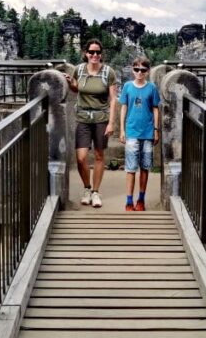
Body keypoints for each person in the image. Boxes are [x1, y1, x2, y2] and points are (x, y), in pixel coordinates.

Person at [64, 39, 119, 208]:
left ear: (101, 54)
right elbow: (77, 89)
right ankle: (87, 188)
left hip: (101, 118)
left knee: (99, 156)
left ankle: (95, 192)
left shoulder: (108, 72)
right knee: (81, 158)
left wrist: (111, 123)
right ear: (86, 53)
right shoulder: (79, 70)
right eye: (91, 52)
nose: (95, 55)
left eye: (97, 52)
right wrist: (70, 83)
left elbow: (113, 99)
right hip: (83, 118)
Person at [119, 56, 161, 212]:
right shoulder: (127, 87)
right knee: (131, 168)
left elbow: (155, 109)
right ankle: (129, 201)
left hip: (148, 132)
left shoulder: (151, 88)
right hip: (131, 132)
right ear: (132, 70)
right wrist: (122, 130)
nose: (139, 72)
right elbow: (123, 107)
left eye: (143, 70)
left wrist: (156, 130)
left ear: (147, 71)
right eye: (136, 69)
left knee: (145, 167)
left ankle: (141, 200)